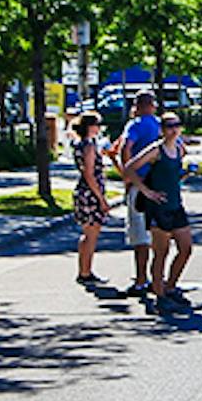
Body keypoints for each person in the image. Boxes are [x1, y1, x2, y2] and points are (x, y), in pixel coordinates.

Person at [129, 112, 196, 310]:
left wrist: (187, 173)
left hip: (176, 205)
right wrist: (147, 192)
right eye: (169, 126)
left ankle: (171, 286)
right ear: (161, 129)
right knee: (161, 252)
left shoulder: (179, 148)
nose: (173, 129)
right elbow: (129, 168)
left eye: (177, 125)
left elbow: (174, 177)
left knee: (185, 248)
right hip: (158, 208)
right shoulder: (155, 150)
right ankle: (159, 294)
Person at [112, 94, 163, 298]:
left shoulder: (135, 125)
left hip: (140, 183)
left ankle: (141, 279)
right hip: (159, 184)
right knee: (159, 233)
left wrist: (127, 173)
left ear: (138, 106)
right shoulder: (161, 125)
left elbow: (126, 148)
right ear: (152, 106)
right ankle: (158, 277)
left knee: (139, 234)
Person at [71, 112, 112, 288]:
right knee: (92, 233)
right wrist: (101, 199)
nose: (99, 128)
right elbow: (89, 173)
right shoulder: (88, 146)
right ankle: (86, 271)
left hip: (84, 191)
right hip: (90, 193)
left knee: (87, 233)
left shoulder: (81, 144)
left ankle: (84, 270)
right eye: (97, 125)